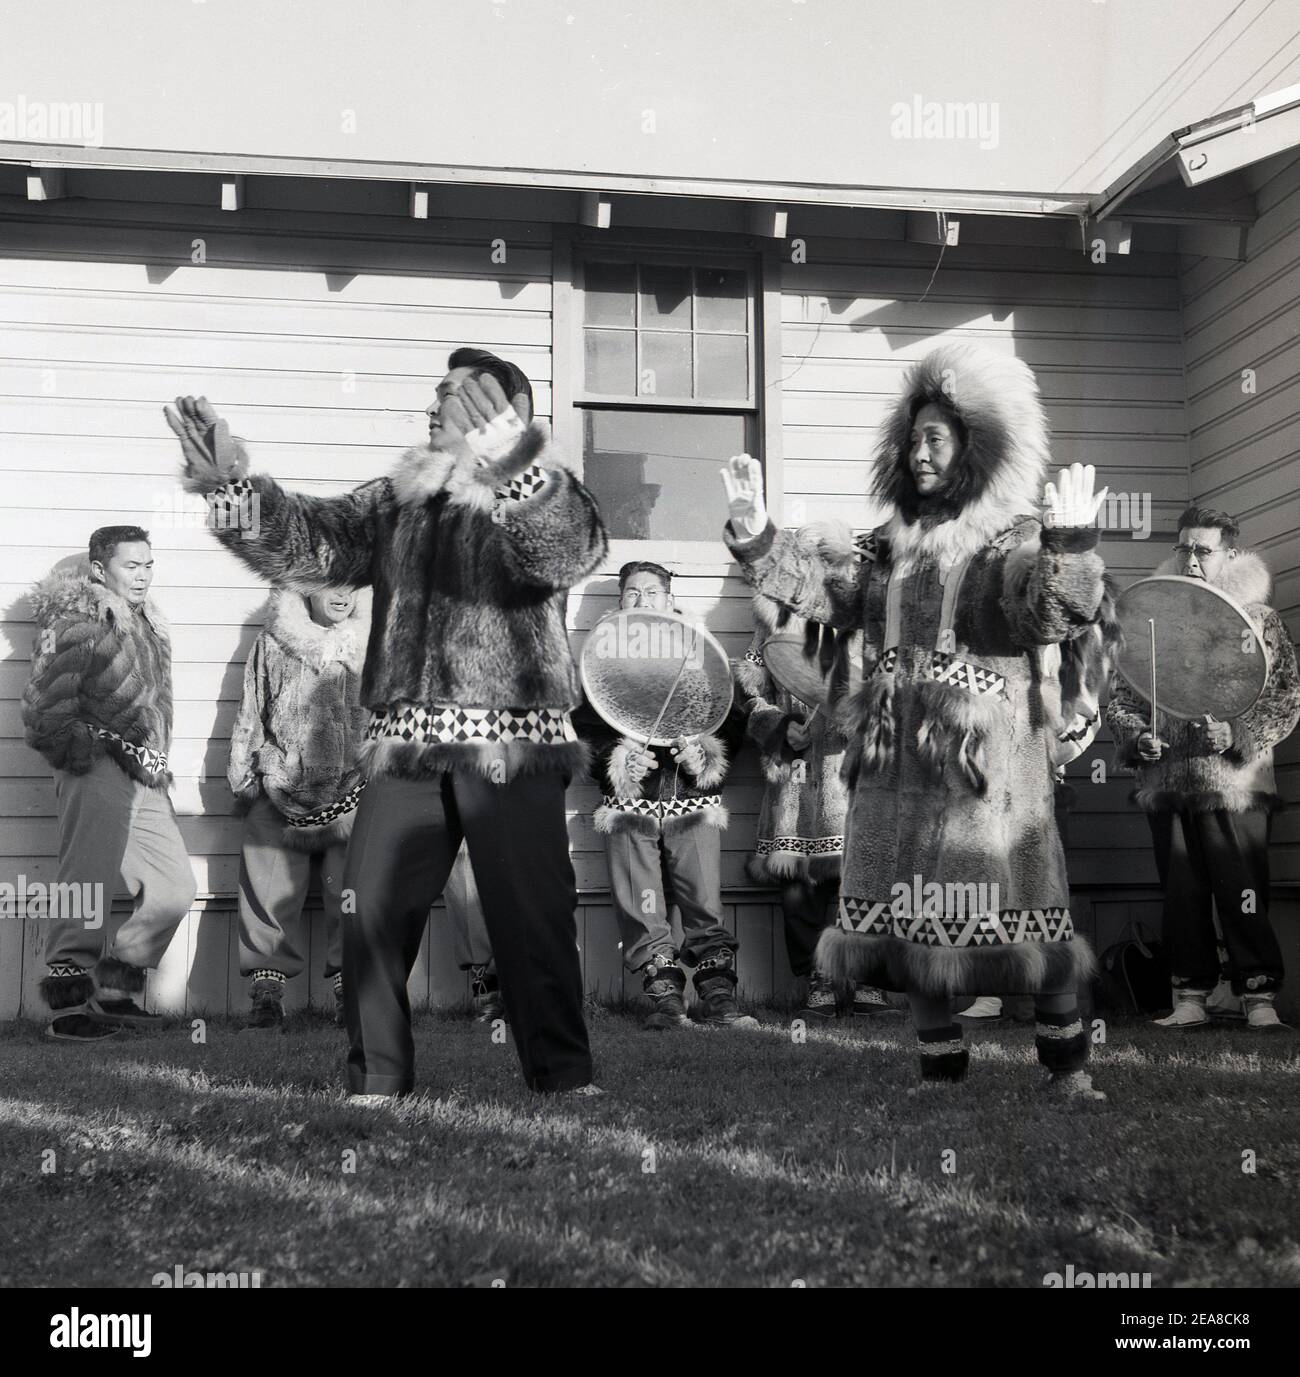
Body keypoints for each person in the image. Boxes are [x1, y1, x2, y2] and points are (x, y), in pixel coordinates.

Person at [165, 348, 607, 1099]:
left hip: (513, 743)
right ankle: (378, 1079)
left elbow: (570, 549)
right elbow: (311, 541)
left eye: (462, 398)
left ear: (512, 416)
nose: (440, 407)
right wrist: (231, 487)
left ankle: (562, 1076)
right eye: (438, 397)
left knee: (530, 918)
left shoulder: (543, 494)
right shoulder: (397, 501)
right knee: (367, 909)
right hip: (406, 746)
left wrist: (510, 460)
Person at [722, 344, 1113, 1099]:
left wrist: (1070, 550)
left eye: (936, 438)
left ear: (975, 448)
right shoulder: (890, 551)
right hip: (896, 761)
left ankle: (1067, 1071)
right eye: (913, 439)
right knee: (907, 912)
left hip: (986, 765)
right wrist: (760, 534)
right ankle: (940, 1071)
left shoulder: (1011, 542)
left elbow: (1047, 614)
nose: (920, 452)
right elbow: (828, 595)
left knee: (1025, 910)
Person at [1106, 507, 1300, 1031]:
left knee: (1244, 893)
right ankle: (1189, 996)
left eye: (1204, 550)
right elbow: (1123, 697)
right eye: (1185, 548)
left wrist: (1238, 736)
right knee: (1183, 897)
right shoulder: (1153, 619)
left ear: (1230, 554)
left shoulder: (1259, 620)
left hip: (1237, 784)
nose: (1191, 559)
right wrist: (1136, 738)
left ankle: (1257, 997)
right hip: (1169, 783)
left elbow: (1286, 696)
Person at [24, 527, 197, 1040]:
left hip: (144, 772)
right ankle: (66, 1009)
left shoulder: (147, 623)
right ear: (101, 569)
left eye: (148, 564)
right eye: (131, 565)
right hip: (95, 764)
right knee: (87, 883)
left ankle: (115, 990)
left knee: (174, 887)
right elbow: (42, 704)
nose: (143, 575)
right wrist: (84, 748)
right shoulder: (76, 619)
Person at [575, 561, 755, 1029]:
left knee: (703, 902)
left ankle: (719, 999)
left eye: (651, 592)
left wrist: (707, 755)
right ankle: (666, 1001)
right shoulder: (602, 662)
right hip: (629, 805)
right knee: (643, 905)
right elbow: (585, 731)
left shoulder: (697, 655)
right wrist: (618, 759)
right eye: (631, 593)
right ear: (619, 603)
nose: (641, 600)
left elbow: (730, 718)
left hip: (691, 801)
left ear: (669, 601)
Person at [734, 535, 898, 1020]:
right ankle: (819, 978)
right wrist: (779, 727)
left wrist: (864, 718)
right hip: (798, 776)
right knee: (801, 884)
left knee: (864, 876)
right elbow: (750, 691)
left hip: (856, 773)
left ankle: (868, 977)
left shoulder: (873, 628)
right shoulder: (774, 624)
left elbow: (896, 691)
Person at [227, 585, 370, 1030]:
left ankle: (354, 992)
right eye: (332, 584)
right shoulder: (274, 640)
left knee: (351, 896)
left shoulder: (375, 642)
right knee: (266, 892)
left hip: (354, 790)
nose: (342, 594)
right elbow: (252, 705)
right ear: (307, 588)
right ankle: (266, 993)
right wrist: (245, 778)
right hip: (279, 787)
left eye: (352, 584)